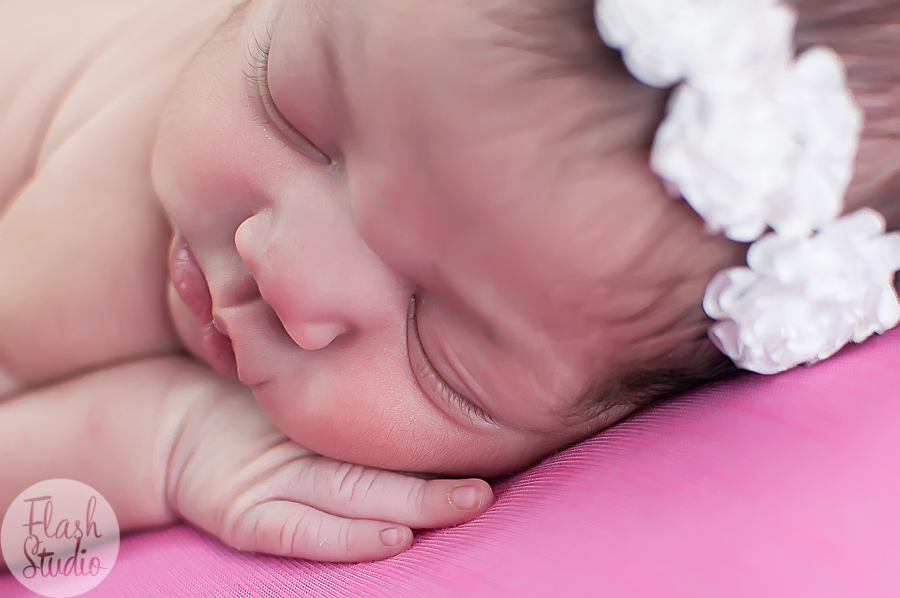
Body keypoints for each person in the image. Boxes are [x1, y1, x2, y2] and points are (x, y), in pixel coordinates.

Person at [1, 0, 897, 565]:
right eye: (298, 116)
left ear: (610, 424)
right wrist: (154, 443)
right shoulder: (84, 259)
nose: (282, 266)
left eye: (437, 339)